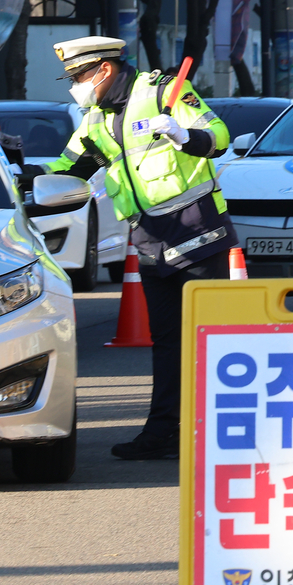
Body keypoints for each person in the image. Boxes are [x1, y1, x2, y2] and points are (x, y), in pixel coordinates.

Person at [25, 36, 235, 461]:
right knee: (167, 343)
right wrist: (7, 171)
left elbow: (219, 136)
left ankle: (222, 435)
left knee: (211, 342)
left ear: (103, 69)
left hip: (199, 236)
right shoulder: (94, 121)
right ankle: (164, 433)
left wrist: (182, 134)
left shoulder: (162, 92)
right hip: (151, 242)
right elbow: (65, 173)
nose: (75, 87)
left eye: (79, 76)